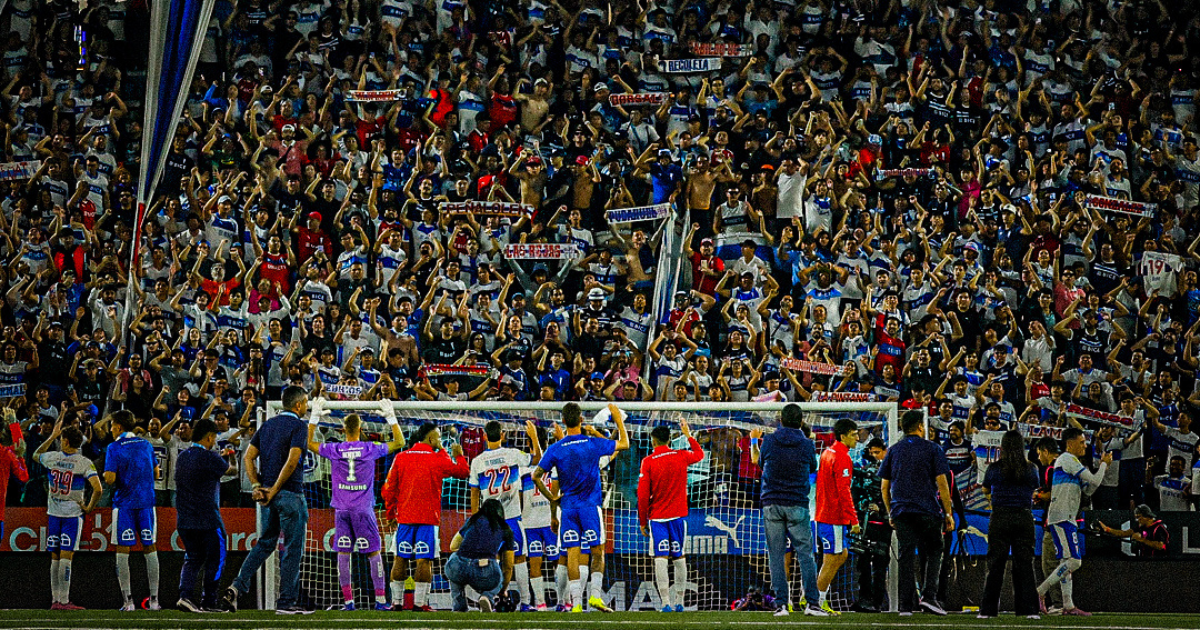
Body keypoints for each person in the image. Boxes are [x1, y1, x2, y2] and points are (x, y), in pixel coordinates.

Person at [531, 402, 629, 613]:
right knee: (597, 552)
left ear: (563, 421)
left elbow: (535, 476)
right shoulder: (591, 443)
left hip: (567, 508)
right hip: (590, 507)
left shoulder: (556, 448)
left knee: (572, 555)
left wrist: (553, 498)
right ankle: (594, 597)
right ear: (581, 419)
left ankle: (574, 604)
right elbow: (624, 445)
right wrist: (618, 420)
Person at [222, 386, 312, 614]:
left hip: (268, 497)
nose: (307, 406)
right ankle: (286, 602)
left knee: (265, 543)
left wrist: (257, 486)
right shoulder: (299, 426)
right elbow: (292, 463)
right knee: (292, 548)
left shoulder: (267, 425)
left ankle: (237, 585)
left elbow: (248, 457)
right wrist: (274, 489)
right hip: (289, 494)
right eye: (306, 402)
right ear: (299, 404)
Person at [308, 400, 406, 611]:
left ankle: (348, 602)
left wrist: (314, 417)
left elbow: (309, 444)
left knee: (344, 554)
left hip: (341, 509)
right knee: (373, 553)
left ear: (343, 430)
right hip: (363, 509)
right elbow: (399, 442)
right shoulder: (369, 448)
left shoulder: (335, 449)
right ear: (360, 429)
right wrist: (390, 416)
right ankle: (380, 601)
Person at [382, 420, 469, 611]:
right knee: (424, 560)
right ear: (430, 438)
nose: (440, 440)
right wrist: (458, 455)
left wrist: (390, 512)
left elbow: (388, 489)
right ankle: (420, 604)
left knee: (400, 558)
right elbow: (463, 472)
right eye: (438, 437)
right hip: (428, 519)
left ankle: (396, 603)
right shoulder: (437, 458)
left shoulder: (401, 457)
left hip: (404, 518)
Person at [879, 410, 953, 616]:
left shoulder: (893, 450)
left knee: (905, 556)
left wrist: (890, 512)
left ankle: (905, 605)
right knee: (935, 549)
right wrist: (948, 513)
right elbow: (942, 483)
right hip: (927, 509)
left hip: (902, 511)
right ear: (921, 426)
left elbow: (884, 486)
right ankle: (929, 597)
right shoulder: (933, 449)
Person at [754, 403, 825, 617]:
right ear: (801, 421)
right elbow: (812, 467)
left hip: (772, 503)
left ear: (780, 419)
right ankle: (812, 604)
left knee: (776, 555)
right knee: (806, 555)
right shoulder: (806, 444)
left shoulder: (768, 440)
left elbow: (760, 463)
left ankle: (781, 605)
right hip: (797, 503)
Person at [1035, 427, 1112, 617]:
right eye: (1081, 442)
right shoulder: (1067, 459)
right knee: (1074, 562)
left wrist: (1097, 474)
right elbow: (1094, 480)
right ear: (1070, 444)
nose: (1085, 446)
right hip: (1061, 517)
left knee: (1065, 562)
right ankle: (1040, 591)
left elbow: (1088, 490)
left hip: (1064, 516)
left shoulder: (1071, 463)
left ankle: (1068, 605)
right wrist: (1103, 465)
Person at [636, 420, 704, 612]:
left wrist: (642, 521)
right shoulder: (681, 455)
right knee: (679, 558)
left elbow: (642, 495)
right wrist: (688, 434)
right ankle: (680, 602)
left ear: (653, 441)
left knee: (660, 558)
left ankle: (665, 602)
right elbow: (699, 455)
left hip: (657, 519)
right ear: (669, 439)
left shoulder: (648, 461)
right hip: (678, 517)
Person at [34, 418, 100, 611]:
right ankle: (64, 601)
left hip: (53, 512)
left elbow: (36, 455)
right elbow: (98, 489)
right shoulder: (84, 463)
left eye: (61, 438)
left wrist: (50, 436)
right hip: (72, 514)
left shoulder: (52, 458)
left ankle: (56, 600)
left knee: (55, 556)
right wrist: (88, 507)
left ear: (65, 441)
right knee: (66, 556)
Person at [469, 420, 534, 611]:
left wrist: (475, 519)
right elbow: (537, 458)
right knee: (519, 559)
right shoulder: (512, 454)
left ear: (484, 436)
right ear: (503, 435)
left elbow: (474, 492)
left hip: (489, 520)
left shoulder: (477, 461)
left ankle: (491, 598)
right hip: (512, 517)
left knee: (492, 560)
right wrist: (534, 438)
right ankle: (526, 602)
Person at [173, 418, 236, 613]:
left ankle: (185, 596)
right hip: (208, 519)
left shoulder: (182, 457)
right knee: (216, 558)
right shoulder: (209, 457)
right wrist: (231, 456)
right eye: (214, 438)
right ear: (209, 437)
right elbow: (232, 471)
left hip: (184, 518)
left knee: (193, 558)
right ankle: (209, 601)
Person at [103, 409, 162, 611]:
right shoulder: (146, 444)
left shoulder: (114, 447)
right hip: (146, 502)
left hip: (125, 505)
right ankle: (154, 600)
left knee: (122, 550)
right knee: (150, 548)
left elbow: (110, 478)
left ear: (118, 426)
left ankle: (128, 602)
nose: (110, 429)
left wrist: (105, 475)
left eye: (111, 425)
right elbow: (156, 472)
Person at [978, 430, 1040, 619]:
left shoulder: (994, 468)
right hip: (1023, 517)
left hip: (1000, 517)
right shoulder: (1031, 468)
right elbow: (1035, 488)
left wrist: (993, 499)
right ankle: (1028, 610)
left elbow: (985, 489)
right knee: (1025, 565)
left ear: (1002, 447)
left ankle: (988, 611)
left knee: (995, 565)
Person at [813, 418, 859, 616]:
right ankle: (816, 602)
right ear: (843, 436)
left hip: (824, 513)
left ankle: (814, 597)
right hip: (834, 517)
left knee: (840, 555)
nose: (857, 438)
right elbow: (844, 491)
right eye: (854, 434)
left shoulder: (827, 452)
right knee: (833, 559)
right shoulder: (841, 457)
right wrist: (854, 520)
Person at [445, 498, 515, 612]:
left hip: (459, 565)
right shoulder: (506, 529)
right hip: (484, 569)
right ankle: (487, 597)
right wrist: (502, 589)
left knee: (454, 560)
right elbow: (508, 565)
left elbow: (452, 546)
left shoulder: (471, 521)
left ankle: (459, 606)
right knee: (500, 575)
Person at [851, 438, 889, 613]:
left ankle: (878, 601)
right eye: (872, 453)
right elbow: (854, 494)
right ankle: (864, 599)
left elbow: (895, 495)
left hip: (884, 524)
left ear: (884, 451)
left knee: (880, 562)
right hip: (865, 523)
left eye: (877, 452)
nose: (874, 456)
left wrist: (881, 508)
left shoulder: (892, 472)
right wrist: (861, 509)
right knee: (863, 561)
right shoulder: (863, 472)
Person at [1098, 504, 1169, 556]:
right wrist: (1107, 529)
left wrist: (1141, 540)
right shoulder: (1141, 527)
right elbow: (1124, 533)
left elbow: (1160, 546)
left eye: (1139, 517)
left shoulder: (1159, 528)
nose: (1138, 520)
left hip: (1158, 562)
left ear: (1146, 516)